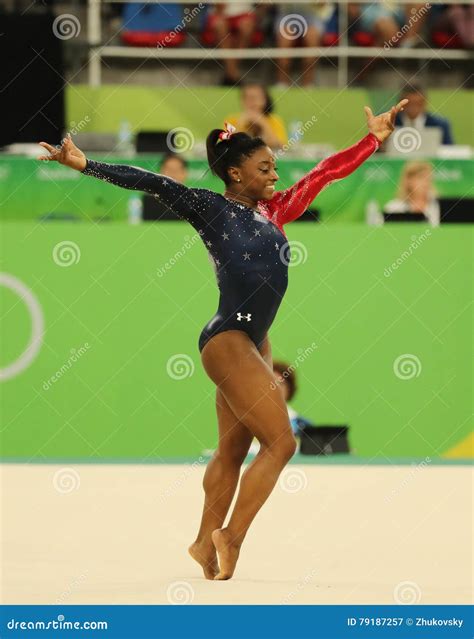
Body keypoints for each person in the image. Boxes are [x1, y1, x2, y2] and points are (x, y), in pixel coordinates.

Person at [38, 97, 408, 581]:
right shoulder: (210, 209)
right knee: (281, 444)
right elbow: (151, 181)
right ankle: (230, 537)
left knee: (232, 451)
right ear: (235, 174)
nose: (275, 175)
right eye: (265, 167)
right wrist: (83, 163)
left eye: (275, 167)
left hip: (254, 342)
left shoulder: (276, 211)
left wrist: (372, 140)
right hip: (228, 338)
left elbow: (324, 174)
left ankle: (201, 542)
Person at [275, 2, 337, 87]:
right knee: (285, 38)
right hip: (287, 14)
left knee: (313, 36)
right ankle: (282, 83)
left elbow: (324, 4)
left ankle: (308, 84)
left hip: (312, 15)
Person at [204, 3, 257, 86]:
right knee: (219, 25)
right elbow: (218, 8)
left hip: (245, 13)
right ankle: (234, 75)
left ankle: (230, 75)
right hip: (218, 13)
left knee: (246, 25)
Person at [225, 83, 288, 150]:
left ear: (264, 100)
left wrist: (263, 123)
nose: (252, 102)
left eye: (256, 98)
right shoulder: (231, 120)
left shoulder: (274, 120)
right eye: (247, 98)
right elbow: (226, 147)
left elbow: (282, 146)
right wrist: (240, 125)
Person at [384, 161, 440, 226]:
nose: (426, 182)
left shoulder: (439, 207)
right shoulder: (394, 208)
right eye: (421, 177)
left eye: (429, 178)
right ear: (409, 181)